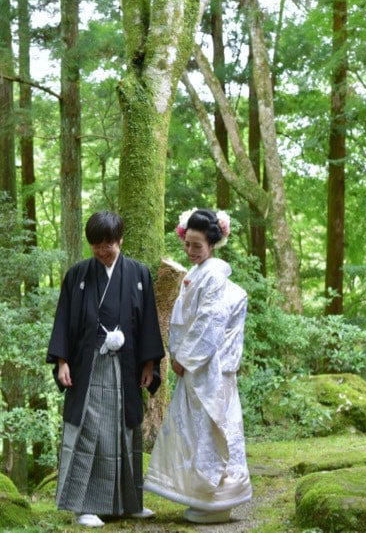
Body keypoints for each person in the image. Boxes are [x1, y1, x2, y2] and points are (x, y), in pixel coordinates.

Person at [47, 211, 165, 528]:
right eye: (96, 245)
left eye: (108, 244)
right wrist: (62, 361)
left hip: (126, 365)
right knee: (89, 431)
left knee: (125, 432)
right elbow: (63, 321)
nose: (103, 250)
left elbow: (149, 324)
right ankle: (84, 506)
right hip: (89, 364)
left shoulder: (139, 274)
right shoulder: (77, 275)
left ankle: (130, 503)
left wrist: (150, 364)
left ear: (120, 239)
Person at [144, 208, 252, 524]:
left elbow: (209, 324)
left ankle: (216, 500)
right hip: (199, 367)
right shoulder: (201, 274)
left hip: (208, 369)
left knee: (211, 431)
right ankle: (206, 499)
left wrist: (184, 358)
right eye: (188, 244)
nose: (191, 251)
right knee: (198, 432)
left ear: (213, 243)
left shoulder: (213, 276)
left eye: (197, 246)